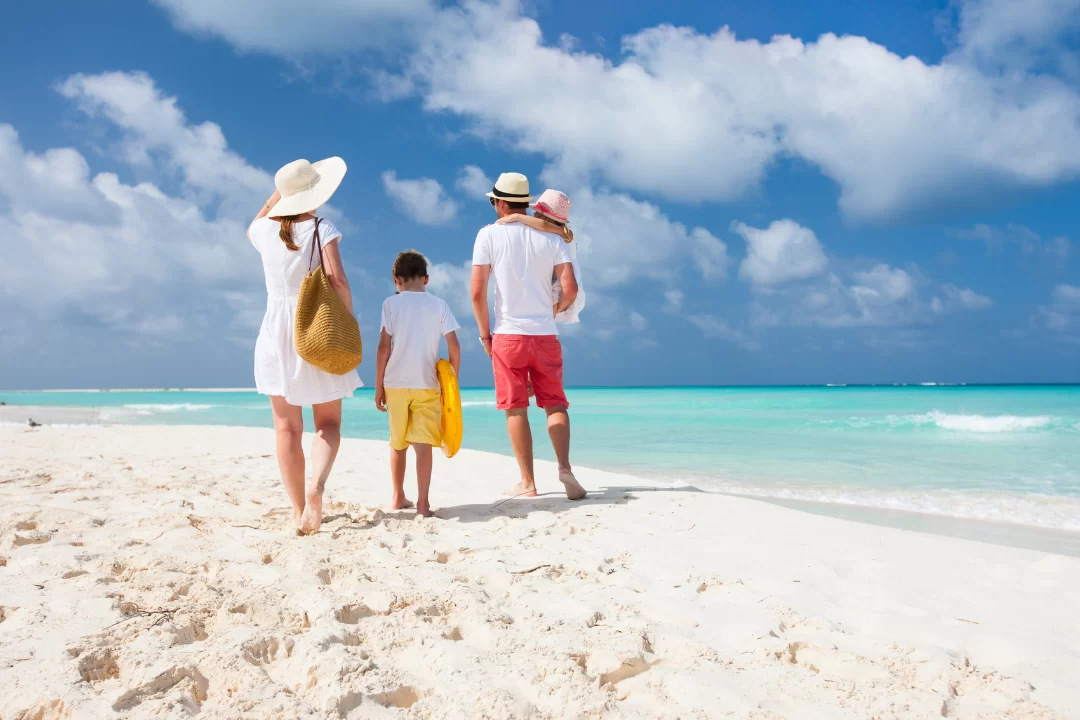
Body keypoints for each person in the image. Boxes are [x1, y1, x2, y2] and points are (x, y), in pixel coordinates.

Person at [248, 157, 360, 535]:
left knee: (286, 428)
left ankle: (298, 511)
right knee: (327, 423)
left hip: (274, 334)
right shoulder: (320, 227)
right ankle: (317, 487)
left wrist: (279, 193)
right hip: (315, 327)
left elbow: (258, 218)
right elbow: (337, 279)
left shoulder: (264, 232)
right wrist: (349, 319)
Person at [471, 172, 586, 500]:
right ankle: (564, 468)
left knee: (516, 409)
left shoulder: (488, 235)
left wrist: (485, 337)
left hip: (508, 335)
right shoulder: (553, 238)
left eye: (494, 201)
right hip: (545, 336)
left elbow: (477, 293)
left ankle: (528, 482)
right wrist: (552, 311)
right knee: (555, 404)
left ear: (501, 203)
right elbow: (571, 289)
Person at [375, 251, 461, 517]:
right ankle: (423, 504)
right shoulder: (439, 305)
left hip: (396, 383)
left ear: (396, 280)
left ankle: (398, 496)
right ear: (426, 279)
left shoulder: (391, 304)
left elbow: (382, 348)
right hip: (427, 383)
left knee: (398, 443)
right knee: (423, 445)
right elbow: (454, 346)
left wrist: (379, 386)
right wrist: (451, 384)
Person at [496, 189, 585, 324]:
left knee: (547, 317)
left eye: (537, 214)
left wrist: (516, 217)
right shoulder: (557, 232)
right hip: (557, 277)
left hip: (561, 280)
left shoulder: (562, 233)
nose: (534, 217)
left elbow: (543, 225)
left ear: (547, 218)